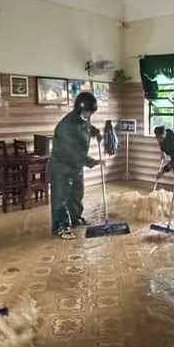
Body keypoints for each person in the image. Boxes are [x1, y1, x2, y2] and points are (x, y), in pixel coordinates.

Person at [50, 91, 104, 240]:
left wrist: (96, 132)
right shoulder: (67, 126)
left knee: (76, 194)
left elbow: (86, 127)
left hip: (76, 166)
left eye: (91, 113)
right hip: (62, 166)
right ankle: (60, 226)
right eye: (88, 112)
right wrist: (94, 162)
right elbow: (74, 153)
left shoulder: (83, 118)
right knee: (61, 197)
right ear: (80, 109)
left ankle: (76, 219)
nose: (89, 115)